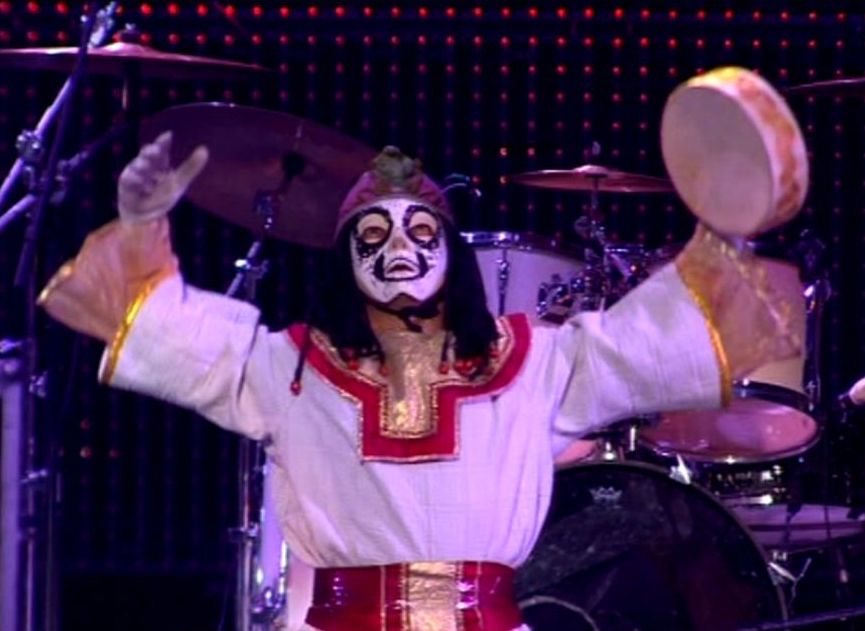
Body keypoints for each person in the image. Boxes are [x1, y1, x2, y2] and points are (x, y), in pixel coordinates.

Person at [39, 135, 799, 631]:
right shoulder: (290, 368)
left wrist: (725, 223)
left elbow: (653, 339)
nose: (398, 248)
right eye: (373, 235)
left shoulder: (532, 363)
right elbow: (166, 329)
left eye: (419, 231)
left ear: (450, 252)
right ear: (346, 261)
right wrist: (139, 229)